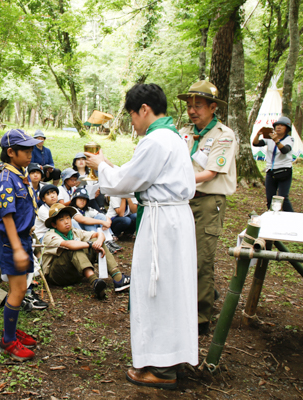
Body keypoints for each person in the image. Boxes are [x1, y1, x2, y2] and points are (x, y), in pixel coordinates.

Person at [86, 83, 197, 388]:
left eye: (132, 116)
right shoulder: (172, 138)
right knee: (173, 289)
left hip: (163, 223)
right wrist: (108, 166)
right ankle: (172, 358)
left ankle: (161, 369)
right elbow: (139, 176)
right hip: (173, 219)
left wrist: (100, 167)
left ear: (144, 110)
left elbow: (126, 182)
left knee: (157, 289)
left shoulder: (156, 140)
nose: (132, 123)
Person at [177, 81, 237, 336]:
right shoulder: (183, 132)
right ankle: (183, 306)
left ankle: (201, 317)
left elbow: (211, 172)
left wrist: (179, 180)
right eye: (189, 106)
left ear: (213, 107)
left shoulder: (224, 135)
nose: (192, 111)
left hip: (208, 201)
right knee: (182, 254)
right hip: (183, 199)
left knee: (202, 259)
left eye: (198, 106)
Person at [0, 129, 40, 361]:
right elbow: (7, 216)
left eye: (32, 149)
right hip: (13, 241)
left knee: (17, 290)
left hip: (21, 238)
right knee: (19, 290)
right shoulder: (4, 179)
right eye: (26, 150)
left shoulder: (19, 173)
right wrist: (18, 248)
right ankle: (7, 341)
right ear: (11, 152)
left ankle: (10, 330)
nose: (31, 154)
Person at [41, 203, 129, 295]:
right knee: (73, 246)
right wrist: (90, 245)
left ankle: (118, 278)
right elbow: (68, 244)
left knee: (94, 241)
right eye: (61, 219)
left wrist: (98, 242)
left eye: (68, 218)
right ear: (54, 224)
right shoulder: (49, 235)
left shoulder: (74, 231)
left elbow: (98, 234)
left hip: (75, 273)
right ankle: (94, 281)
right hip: (58, 276)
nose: (66, 222)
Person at [252, 116, 295, 212]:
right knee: (270, 198)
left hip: (284, 171)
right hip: (270, 171)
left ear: (286, 129)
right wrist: (258, 135)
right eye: (277, 125)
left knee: (283, 197)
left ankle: (293, 218)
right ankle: (272, 217)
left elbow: (284, 150)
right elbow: (256, 143)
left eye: (282, 126)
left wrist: (276, 140)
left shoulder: (289, 139)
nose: (278, 127)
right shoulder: (269, 138)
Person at [70, 188, 122, 255]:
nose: (82, 201)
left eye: (84, 199)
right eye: (80, 198)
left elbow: (103, 216)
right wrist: (102, 222)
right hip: (81, 234)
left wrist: (108, 221)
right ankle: (102, 243)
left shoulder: (88, 209)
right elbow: (82, 220)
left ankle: (109, 240)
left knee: (100, 216)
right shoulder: (72, 209)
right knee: (88, 222)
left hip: (92, 232)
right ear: (75, 200)